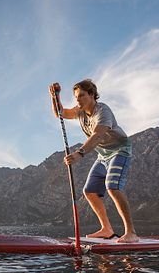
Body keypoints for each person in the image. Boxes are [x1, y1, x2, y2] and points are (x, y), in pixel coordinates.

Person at [49, 79, 139, 243]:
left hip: (120, 151)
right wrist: (55, 97)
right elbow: (60, 113)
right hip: (103, 156)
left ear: (92, 95)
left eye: (81, 96)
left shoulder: (103, 112)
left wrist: (79, 154)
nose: (78, 100)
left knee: (112, 186)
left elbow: (97, 135)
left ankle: (131, 233)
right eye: (76, 97)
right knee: (89, 191)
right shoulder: (80, 111)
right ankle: (107, 229)